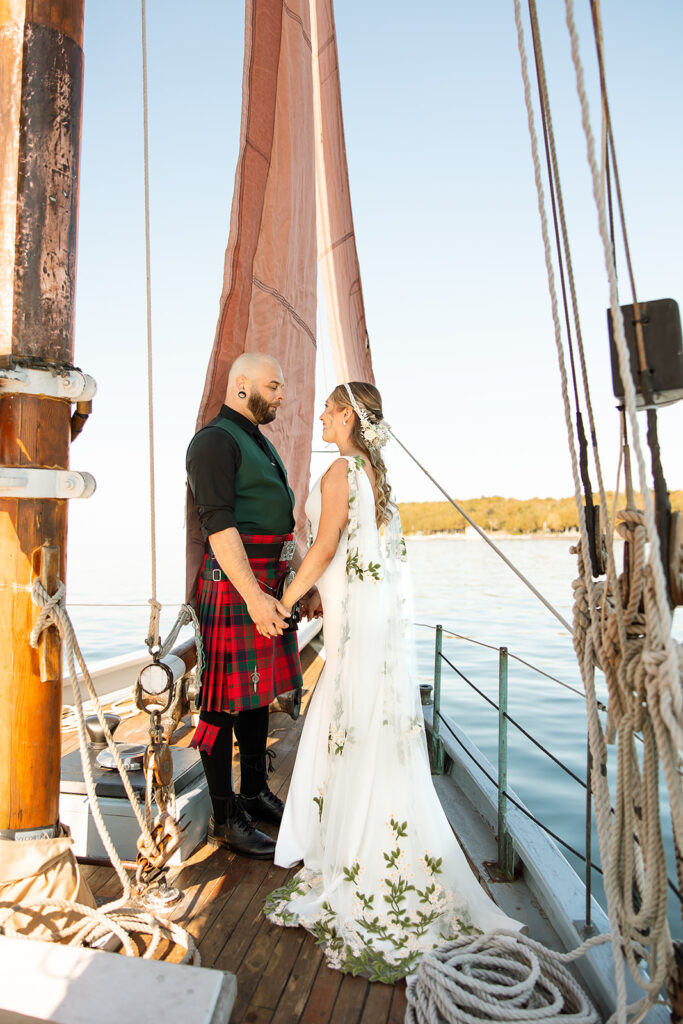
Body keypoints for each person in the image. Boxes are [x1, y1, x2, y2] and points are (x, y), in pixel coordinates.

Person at [264, 382, 522, 981]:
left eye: (329, 408)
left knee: (345, 722)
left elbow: (326, 546)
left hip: (352, 622)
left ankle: (350, 850)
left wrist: (285, 596)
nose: (322, 417)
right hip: (370, 619)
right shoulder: (374, 474)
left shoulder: (337, 474)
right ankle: (366, 836)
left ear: (348, 414)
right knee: (364, 724)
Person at [186, 351, 306, 859]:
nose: (282, 395)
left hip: (267, 579)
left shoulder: (257, 439)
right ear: (242, 386)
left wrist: (298, 577)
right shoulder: (215, 441)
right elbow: (218, 523)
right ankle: (223, 816)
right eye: (274, 386)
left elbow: (280, 524)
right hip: (235, 584)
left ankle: (254, 792)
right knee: (218, 703)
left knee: (256, 698)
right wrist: (254, 595)